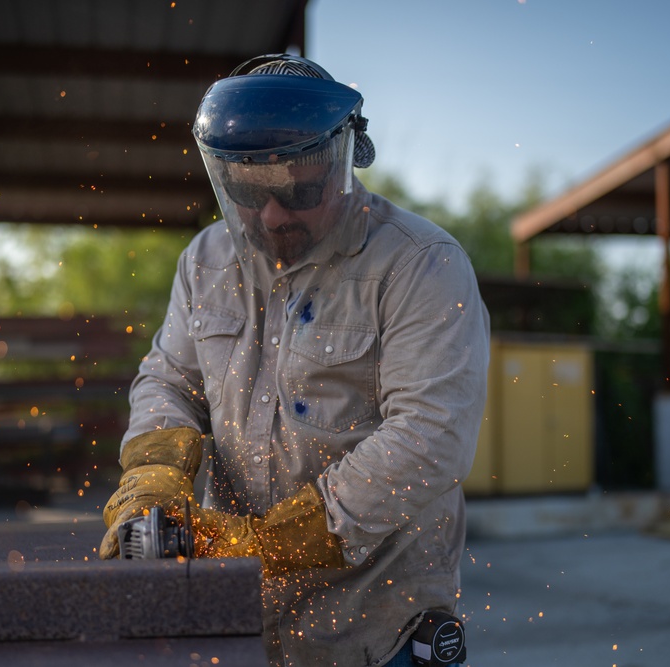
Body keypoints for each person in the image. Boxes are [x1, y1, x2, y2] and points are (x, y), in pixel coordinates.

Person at [100, 53, 490, 667]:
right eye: (248, 194)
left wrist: (278, 540)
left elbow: (430, 437)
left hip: (375, 628)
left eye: (300, 193)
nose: (273, 216)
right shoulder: (205, 260)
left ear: (342, 161)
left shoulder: (419, 264)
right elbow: (169, 382)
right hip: (241, 623)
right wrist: (154, 474)